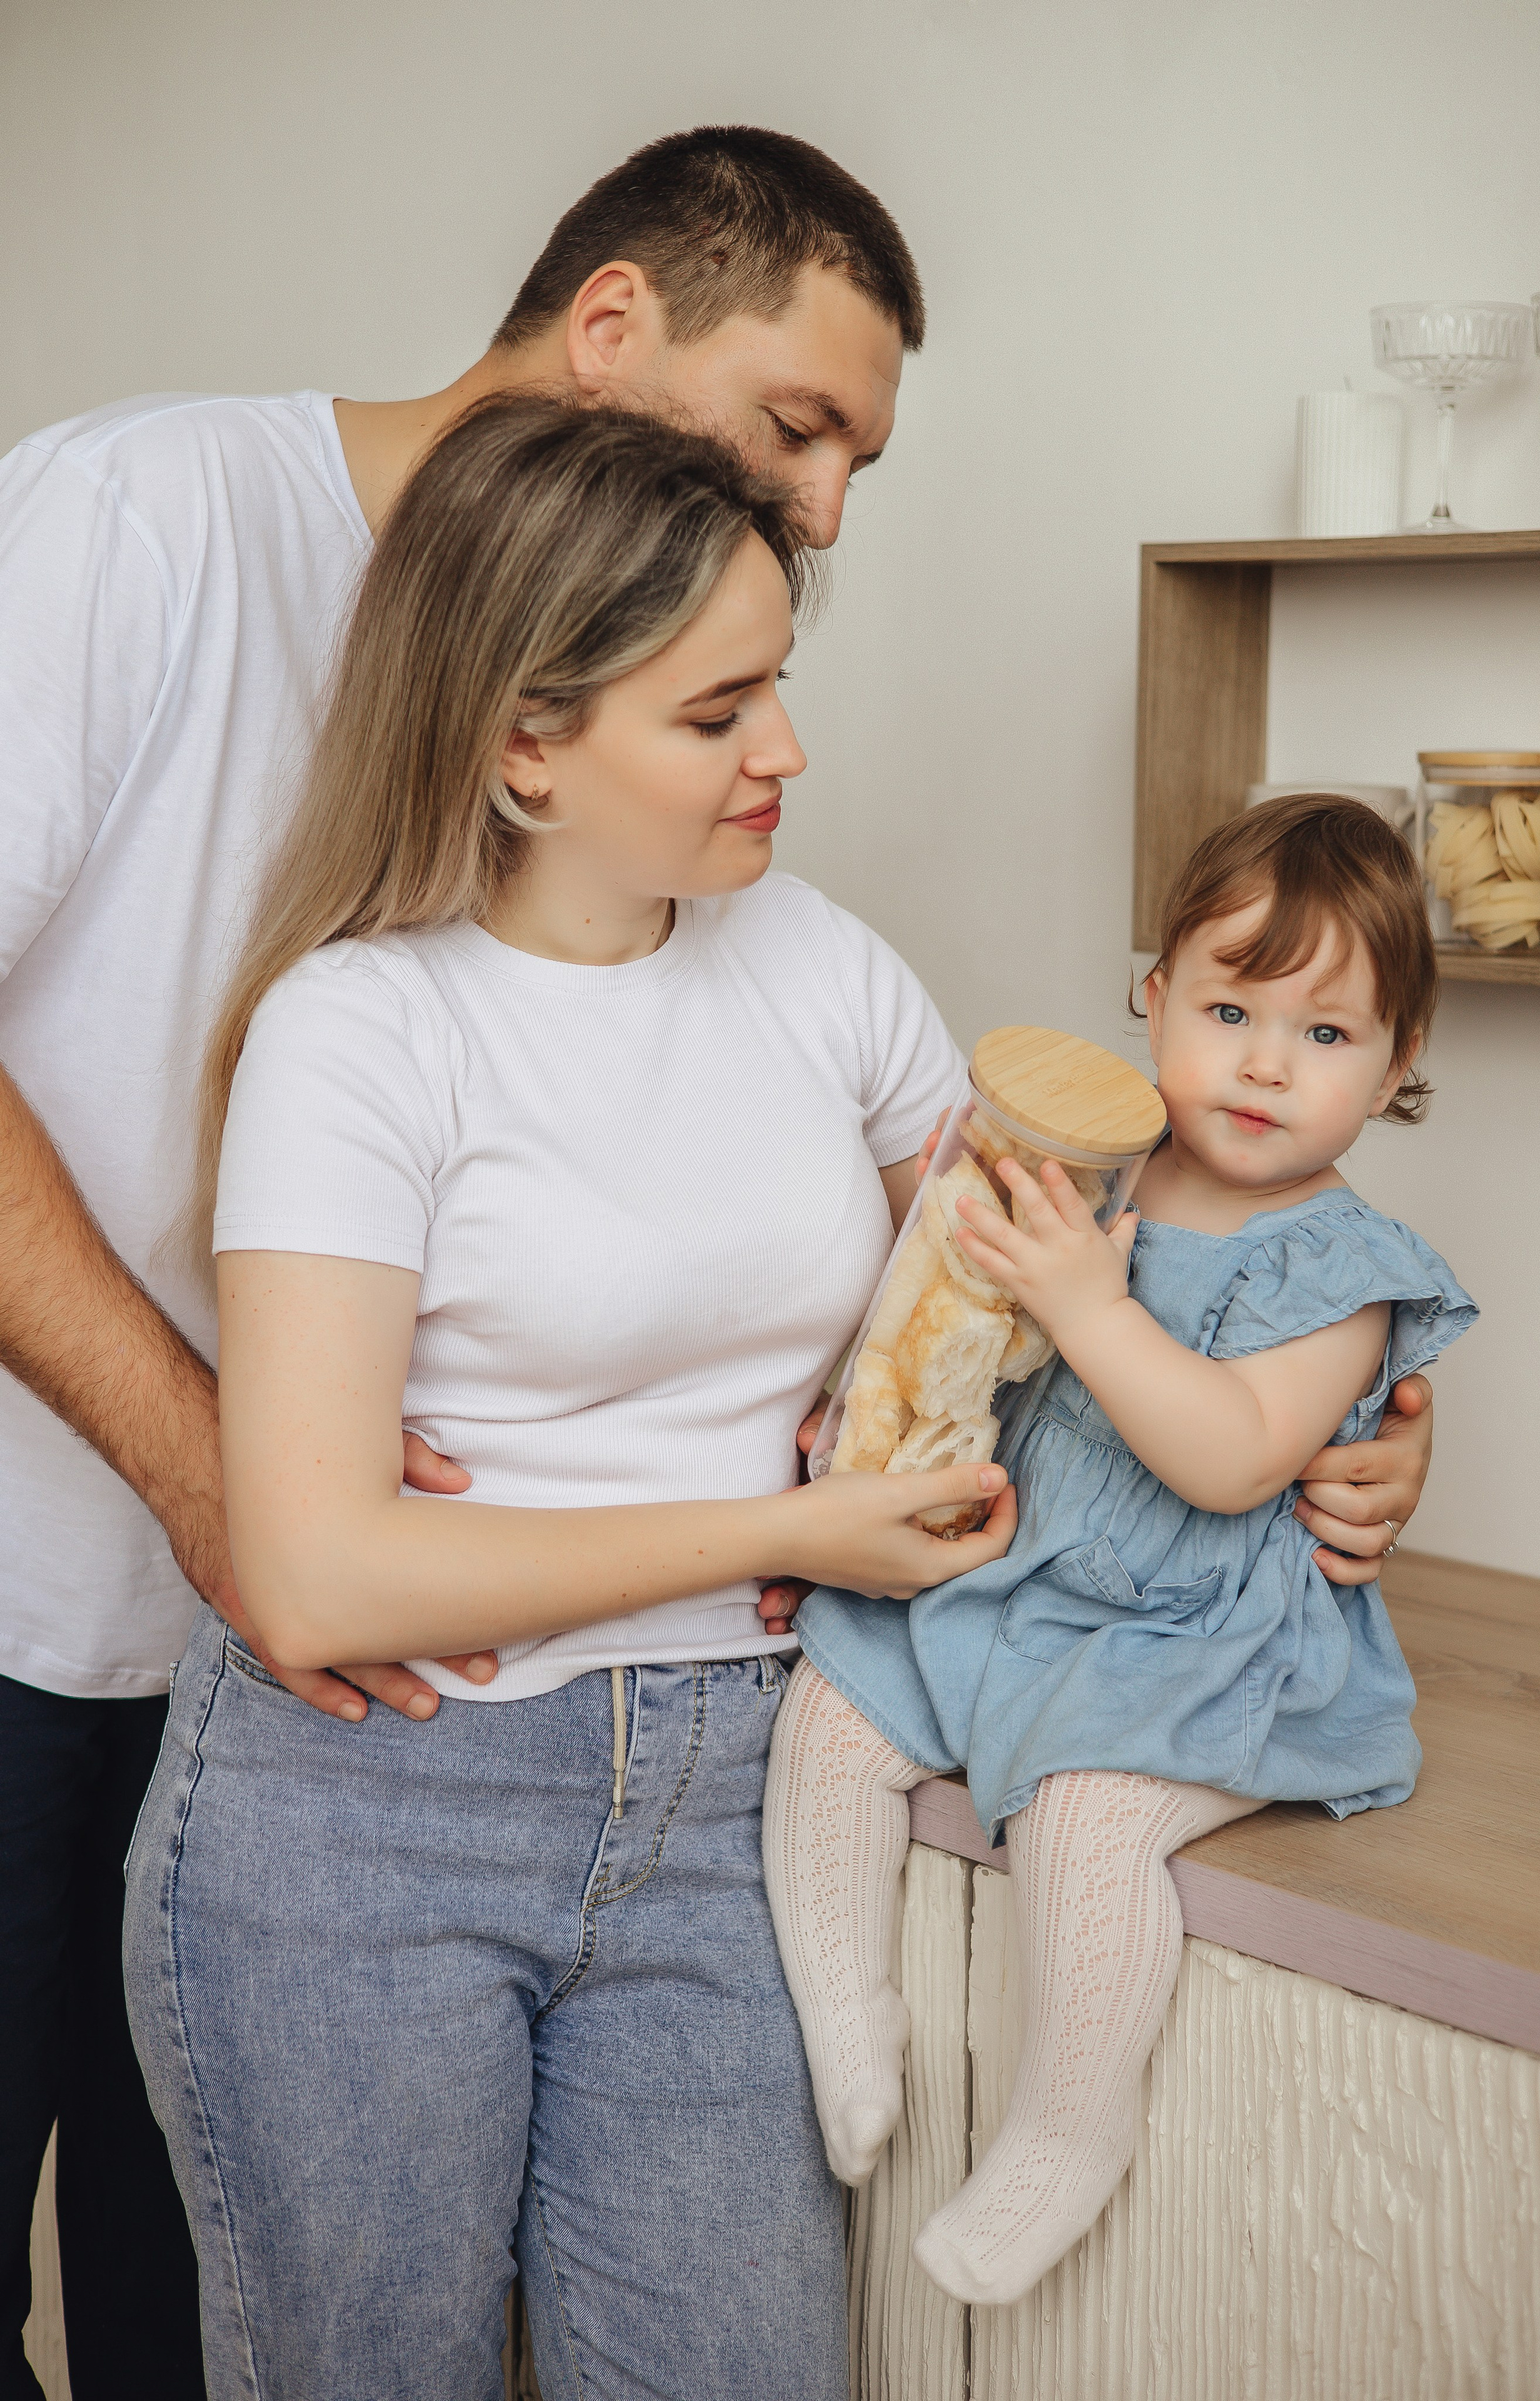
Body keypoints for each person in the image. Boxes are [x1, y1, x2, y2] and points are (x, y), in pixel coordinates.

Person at [0, 123, 927, 2400]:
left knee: (172, 2309)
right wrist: (228, 1482)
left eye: (856, 462)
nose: (821, 504)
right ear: (611, 327)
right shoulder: (142, 530)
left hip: (354, 1660)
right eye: (794, 424)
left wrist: (1320, 1404)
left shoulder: (759, 935)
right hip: (67, 1581)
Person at [124, 393, 1022, 2398]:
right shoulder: (360, 1034)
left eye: (776, 688)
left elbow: (1027, 1305)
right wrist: (787, 1534)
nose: (785, 750)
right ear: (527, 743)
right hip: (372, 1829)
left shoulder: (820, 968)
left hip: (741, 1803)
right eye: (716, 715)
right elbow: (327, 1577)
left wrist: (1335, 1397)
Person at [768, 795, 1476, 2308]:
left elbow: (1227, 1456)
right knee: (830, 1708)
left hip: (1197, 1634)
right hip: (1031, 1580)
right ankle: (845, 2013)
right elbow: (971, 1336)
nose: (1265, 1064)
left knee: (1086, 1819)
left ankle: (1064, 2133)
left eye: (1328, 1034)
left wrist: (1091, 1301)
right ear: (1151, 998)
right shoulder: (1101, 1173)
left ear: (1398, 1066)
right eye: (1227, 1007)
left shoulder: (1337, 1263)